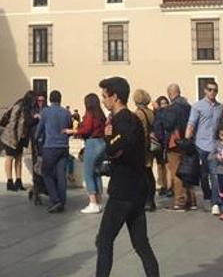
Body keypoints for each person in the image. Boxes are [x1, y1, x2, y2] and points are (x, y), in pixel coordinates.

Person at [94, 77, 159, 277]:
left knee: (104, 240)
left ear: (115, 97)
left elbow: (115, 148)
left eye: (105, 96)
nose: (103, 100)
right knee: (141, 243)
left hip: (123, 191)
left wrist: (107, 138)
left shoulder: (122, 121)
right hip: (138, 188)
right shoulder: (133, 119)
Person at [185, 80, 223, 214]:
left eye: (215, 90)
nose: (213, 92)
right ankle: (207, 195)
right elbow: (191, 123)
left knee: (215, 174)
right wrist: (187, 140)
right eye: (210, 89)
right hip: (200, 145)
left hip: (214, 145)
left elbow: (220, 125)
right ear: (205, 90)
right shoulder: (197, 106)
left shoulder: (220, 107)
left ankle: (215, 202)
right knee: (203, 174)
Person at [159, 84, 195, 211]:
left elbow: (168, 125)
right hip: (188, 143)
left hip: (175, 143)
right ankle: (191, 200)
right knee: (187, 170)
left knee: (176, 172)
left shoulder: (172, 108)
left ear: (170, 93)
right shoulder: (188, 106)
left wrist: (161, 113)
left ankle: (180, 201)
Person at [68, 93, 106, 214]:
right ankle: (99, 202)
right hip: (101, 143)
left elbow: (87, 129)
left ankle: (93, 202)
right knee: (97, 173)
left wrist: (73, 130)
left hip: (92, 143)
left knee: (88, 173)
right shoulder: (101, 114)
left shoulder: (90, 114)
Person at [37, 90, 72, 213]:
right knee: (61, 175)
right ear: (60, 99)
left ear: (49, 100)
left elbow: (40, 128)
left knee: (46, 173)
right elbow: (69, 127)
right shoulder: (66, 113)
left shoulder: (45, 112)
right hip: (63, 147)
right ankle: (62, 202)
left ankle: (55, 200)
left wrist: (37, 139)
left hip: (50, 147)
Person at [0, 91, 35, 192]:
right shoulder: (19, 106)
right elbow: (13, 121)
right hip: (11, 137)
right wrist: (13, 138)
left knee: (19, 159)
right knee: (9, 158)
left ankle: (18, 181)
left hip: (20, 137)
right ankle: (9, 181)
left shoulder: (28, 108)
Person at [132, 89, 158, 211]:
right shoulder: (150, 112)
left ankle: (146, 200)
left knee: (143, 174)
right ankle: (150, 200)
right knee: (148, 173)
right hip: (150, 147)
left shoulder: (139, 113)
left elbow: (141, 131)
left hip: (143, 147)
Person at [152, 96, 172, 199]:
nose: (164, 105)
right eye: (162, 103)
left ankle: (168, 187)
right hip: (159, 143)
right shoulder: (156, 114)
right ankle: (163, 185)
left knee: (167, 165)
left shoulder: (164, 113)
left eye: (165, 103)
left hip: (166, 142)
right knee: (160, 166)